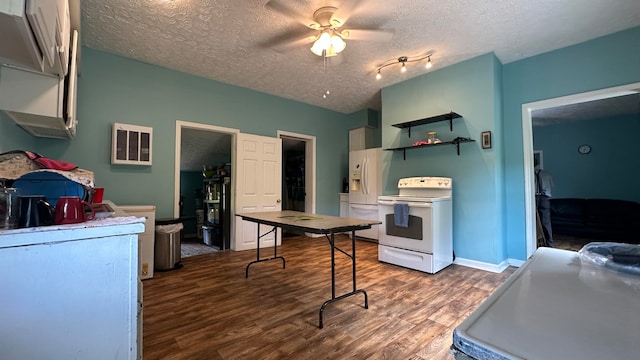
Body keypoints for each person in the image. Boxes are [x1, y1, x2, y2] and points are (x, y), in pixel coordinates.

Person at [535, 160, 554, 247]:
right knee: (546, 222)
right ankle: (550, 243)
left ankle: (536, 242)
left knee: (533, 221)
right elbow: (551, 186)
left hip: (534, 198)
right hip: (545, 198)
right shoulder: (547, 174)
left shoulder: (528, 174)